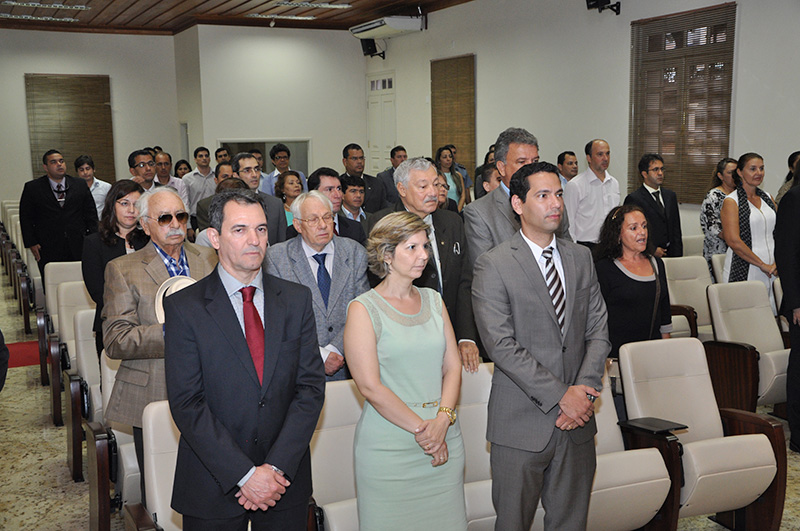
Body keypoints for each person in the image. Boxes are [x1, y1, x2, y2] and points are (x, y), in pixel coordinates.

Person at [164, 189, 325, 529]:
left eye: (261, 229)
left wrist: (274, 468)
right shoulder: (185, 307)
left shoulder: (296, 300)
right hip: (212, 481)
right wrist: (244, 474)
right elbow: (187, 403)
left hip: (283, 482)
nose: (254, 240)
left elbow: (310, 389)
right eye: (240, 230)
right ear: (214, 238)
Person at [471, 161, 609, 530]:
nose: (556, 203)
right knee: (513, 523)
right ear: (518, 204)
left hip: (577, 423)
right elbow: (501, 345)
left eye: (559, 194)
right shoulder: (493, 265)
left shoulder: (581, 257)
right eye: (543, 195)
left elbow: (598, 329)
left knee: (571, 523)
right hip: (521, 424)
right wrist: (563, 395)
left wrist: (583, 392)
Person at [344, 210, 466, 530]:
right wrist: (427, 433)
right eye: (412, 247)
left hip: (445, 436)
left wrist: (442, 421)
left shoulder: (434, 299)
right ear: (387, 255)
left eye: (425, 246)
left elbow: (453, 367)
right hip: (390, 449)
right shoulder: (363, 309)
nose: (423, 255)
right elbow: (370, 387)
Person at [102, 187, 217, 503]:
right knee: (160, 489)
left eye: (181, 216)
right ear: (145, 224)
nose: (175, 224)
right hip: (153, 389)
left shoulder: (209, 258)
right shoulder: (123, 269)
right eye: (165, 218)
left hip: (211, 389)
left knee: (212, 482)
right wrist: (173, 333)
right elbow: (116, 339)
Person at [366, 157, 479, 372]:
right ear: (402, 189)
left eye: (436, 184)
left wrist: (466, 336)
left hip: (451, 334)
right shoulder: (383, 223)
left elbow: (464, 281)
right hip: (403, 339)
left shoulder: (452, 222)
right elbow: (377, 280)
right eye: (423, 186)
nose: (433, 192)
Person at [267, 191, 369, 381]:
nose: (322, 225)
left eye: (327, 217)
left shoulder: (355, 252)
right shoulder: (276, 258)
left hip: (349, 367)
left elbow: (363, 311)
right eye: (313, 219)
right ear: (297, 225)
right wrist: (320, 355)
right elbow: (278, 320)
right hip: (299, 370)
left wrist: (335, 349)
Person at [464, 127, 571, 270]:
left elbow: (568, 253)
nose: (531, 168)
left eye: (535, 161)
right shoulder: (479, 212)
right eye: (522, 162)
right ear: (501, 168)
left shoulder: (553, 203)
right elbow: (486, 269)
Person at [594, 205, 672, 360]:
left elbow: (664, 314)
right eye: (633, 228)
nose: (642, 232)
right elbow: (596, 319)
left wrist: (666, 352)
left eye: (644, 226)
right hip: (617, 356)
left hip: (652, 353)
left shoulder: (657, 264)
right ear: (618, 234)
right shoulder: (604, 269)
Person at [82, 180, 149, 356]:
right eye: (125, 203)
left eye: (137, 205)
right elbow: (98, 292)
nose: (131, 210)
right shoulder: (94, 243)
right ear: (112, 205)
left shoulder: (150, 240)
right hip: (112, 324)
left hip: (150, 325)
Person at [19, 149, 98, 280]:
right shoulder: (33, 188)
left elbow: (91, 214)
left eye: (61, 161)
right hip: (48, 246)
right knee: (53, 282)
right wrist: (31, 243)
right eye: (54, 162)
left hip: (78, 243)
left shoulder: (79, 184)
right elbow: (26, 218)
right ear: (45, 167)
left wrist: (93, 239)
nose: (59, 164)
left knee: (80, 281)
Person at [720, 152, 778, 313]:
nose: (758, 173)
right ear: (740, 172)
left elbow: (779, 232)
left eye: (761, 168)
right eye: (753, 169)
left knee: (772, 314)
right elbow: (733, 241)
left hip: (773, 267)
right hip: (746, 266)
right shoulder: (732, 201)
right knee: (746, 315)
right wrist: (762, 265)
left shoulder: (767, 197)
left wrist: (776, 263)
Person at [287, 167, 366, 245]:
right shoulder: (295, 231)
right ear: (314, 193)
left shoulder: (355, 228)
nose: (338, 195)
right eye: (329, 189)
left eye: (339, 188)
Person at [624, 153, 683, 257]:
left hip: (671, 253)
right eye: (655, 170)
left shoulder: (670, 196)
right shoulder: (634, 198)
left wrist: (678, 255)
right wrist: (651, 249)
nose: (660, 173)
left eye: (662, 169)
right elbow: (631, 232)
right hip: (648, 254)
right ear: (644, 174)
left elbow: (676, 229)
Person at [564, 139, 620, 248]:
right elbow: (568, 222)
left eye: (607, 153)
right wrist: (573, 249)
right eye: (600, 154)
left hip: (609, 245)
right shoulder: (575, 185)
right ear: (589, 158)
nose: (605, 158)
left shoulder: (614, 183)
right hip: (585, 246)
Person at [231, 152, 288, 246]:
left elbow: (282, 243)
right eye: (247, 170)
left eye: (257, 169)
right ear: (236, 175)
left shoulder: (275, 204)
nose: (254, 175)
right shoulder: (229, 205)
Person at [700, 157, 738, 274]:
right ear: (720, 176)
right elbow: (714, 228)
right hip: (719, 252)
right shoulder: (713, 196)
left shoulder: (741, 195)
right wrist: (736, 240)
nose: (734, 176)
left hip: (738, 251)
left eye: (736, 172)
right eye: (730, 173)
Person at [341, 143, 390, 213]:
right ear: (345, 162)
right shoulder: (338, 184)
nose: (359, 162)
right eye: (354, 158)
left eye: (361, 158)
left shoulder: (376, 183)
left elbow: (384, 209)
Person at [196, 162, 235, 231]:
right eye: (225, 177)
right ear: (216, 180)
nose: (229, 180)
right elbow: (207, 234)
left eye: (232, 177)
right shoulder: (204, 206)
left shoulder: (244, 202)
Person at [183, 147, 215, 229]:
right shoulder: (187, 178)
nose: (204, 158)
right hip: (195, 219)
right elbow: (185, 203)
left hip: (215, 217)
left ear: (210, 159)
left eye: (206, 156)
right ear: (195, 160)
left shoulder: (216, 176)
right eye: (200, 156)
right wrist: (188, 226)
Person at [75, 154, 111, 219]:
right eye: (81, 170)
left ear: (94, 169)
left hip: (101, 223)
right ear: (77, 172)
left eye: (88, 169)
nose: (85, 172)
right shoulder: (73, 189)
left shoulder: (106, 187)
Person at [436, 146, 467, 211]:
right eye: (444, 157)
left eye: (450, 156)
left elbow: (463, 196)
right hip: (442, 211)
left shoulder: (458, 175)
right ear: (439, 160)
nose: (448, 159)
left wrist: (457, 211)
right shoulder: (436, 176)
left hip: (458, 210)